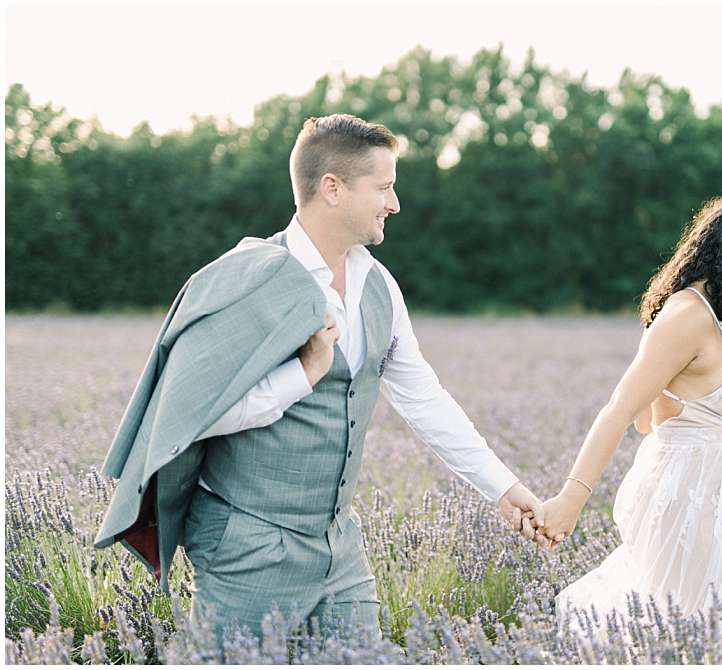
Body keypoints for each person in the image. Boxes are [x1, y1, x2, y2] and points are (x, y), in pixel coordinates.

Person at [95, 114, 546, 649]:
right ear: (332, 188)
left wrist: (505, 489)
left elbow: (424, 399)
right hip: (247, 542)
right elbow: (194, 415)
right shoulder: (250, 279)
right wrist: (303, 373)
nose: (394, 203)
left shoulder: (379, 285)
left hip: (337, 545)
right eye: (383, 187)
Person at [537, 187, 722, 638]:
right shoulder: (687, 317)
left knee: (718, 629)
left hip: (717, 494)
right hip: (689, 498)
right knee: (692, 631)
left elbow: (649, 420)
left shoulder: (712, 315)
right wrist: (570, 501)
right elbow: (620, 410)